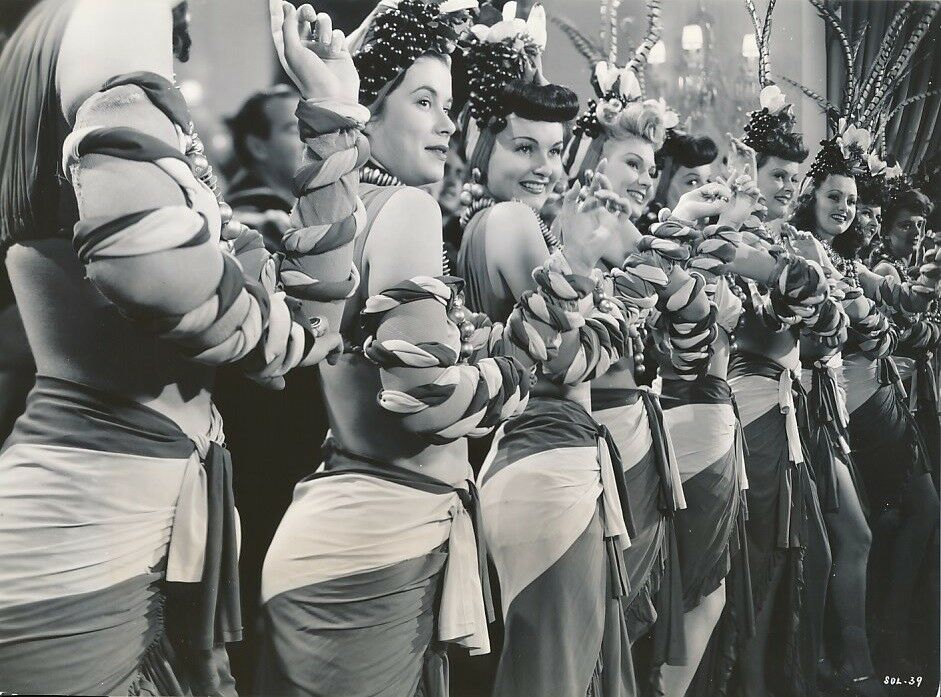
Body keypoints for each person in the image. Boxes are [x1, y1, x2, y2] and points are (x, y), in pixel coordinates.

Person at [0, 0, 357, 692]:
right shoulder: (117, 18)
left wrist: (333, 107)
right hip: (84, 527)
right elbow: (160, 277)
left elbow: (303, 325)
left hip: (107, 515)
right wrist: (271, 336)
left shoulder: (63, 47)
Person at [256, 3, 536, 695]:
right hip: (373, 550)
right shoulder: (407, 208)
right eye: (424, 101)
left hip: (338, 534)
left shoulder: (338, 213)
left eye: (448, 105)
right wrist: (516, 368)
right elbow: (421, 402)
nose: (447, 124)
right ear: (369, 112)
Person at [456, 6, 643, 693]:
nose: (544, 167)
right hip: (543, 466)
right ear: (480, 144)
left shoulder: (497, 222)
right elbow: (568, 361)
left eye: (554, 150)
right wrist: (613, 285)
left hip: (540, 463)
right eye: (523, 148)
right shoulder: (508, 219)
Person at [224, 84, 304, 252]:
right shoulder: (248, 227)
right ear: (257, 147)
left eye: (310, 128)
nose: (310, 140)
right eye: (294, 130)